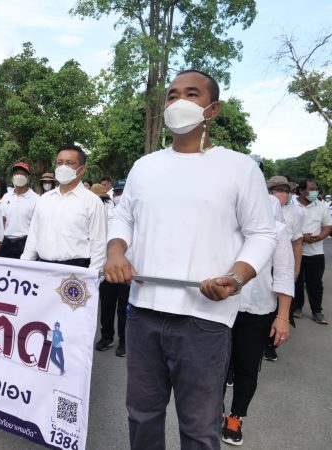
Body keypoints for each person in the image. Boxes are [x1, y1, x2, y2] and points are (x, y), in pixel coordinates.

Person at [104, 70, 276, 449]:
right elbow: (122, 217)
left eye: (191, 94)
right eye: (172, 95)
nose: (178, 102)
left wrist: (237, 276)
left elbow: (263, 233)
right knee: (142, 414)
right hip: (143, 312)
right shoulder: (144, 166)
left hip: (204, 320)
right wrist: (116, 250)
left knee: (199, 428)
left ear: (212, 109)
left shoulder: (239, 167)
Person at [221, 200, 294, 446]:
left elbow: (284, 274)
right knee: (213, 366)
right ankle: (212, 413)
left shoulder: (277, 229)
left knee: (246, 368)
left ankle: (235, 417)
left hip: (258, 310)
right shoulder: (224, 223)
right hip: (218, 306)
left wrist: (282, 317)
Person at [21, 144, 106, 271]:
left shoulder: (92, 202)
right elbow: (33, 236)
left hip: (75, 271)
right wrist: (24, 265)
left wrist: (92, 279)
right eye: (59, 163)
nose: (63, 167)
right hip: (42, 268)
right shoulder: (43, 200)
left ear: (82, 169)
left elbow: (99, 245)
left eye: (69, 163)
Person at [265, 175, 303, 361]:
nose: (283, 194)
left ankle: (271, 345)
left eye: (286, 190)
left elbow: (297, 243)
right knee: (262, 307)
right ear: (269, 192)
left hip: (283, 264)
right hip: (262, 266)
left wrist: (295, 270)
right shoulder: (260, 209)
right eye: (278, 190)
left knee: (279, 308)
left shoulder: (294, 214)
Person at [91, 183, 129, 357]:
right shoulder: (105, 211)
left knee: (123, 307)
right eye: (118, 192)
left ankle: (124, 341)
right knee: (106, 305)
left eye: (123, 192)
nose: (120, 195)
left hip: (128, 267)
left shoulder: (132, 214)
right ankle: (107, 336)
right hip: (107, 266)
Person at [292, 178, 332, 324]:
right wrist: (301, 237)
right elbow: (283, 226)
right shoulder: (291, 205)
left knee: (315, 283)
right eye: (311, 189)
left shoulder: (321, 206)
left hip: (316, 252)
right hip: (295, 252)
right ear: (301, 191)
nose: (315, 192)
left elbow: (328, 225)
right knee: (295, 282)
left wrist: (321, 236)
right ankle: (297, 308)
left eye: (316, 189)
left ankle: (317, 311)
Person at [0, 162, 39, 259]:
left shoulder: (36, 198)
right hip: (6, 242)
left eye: (22, 173)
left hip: (25, 243)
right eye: (16, 173)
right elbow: (2, 219)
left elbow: (37, 225)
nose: (19, 176)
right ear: (12, 176)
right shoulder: (6, 196)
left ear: (28, 177)